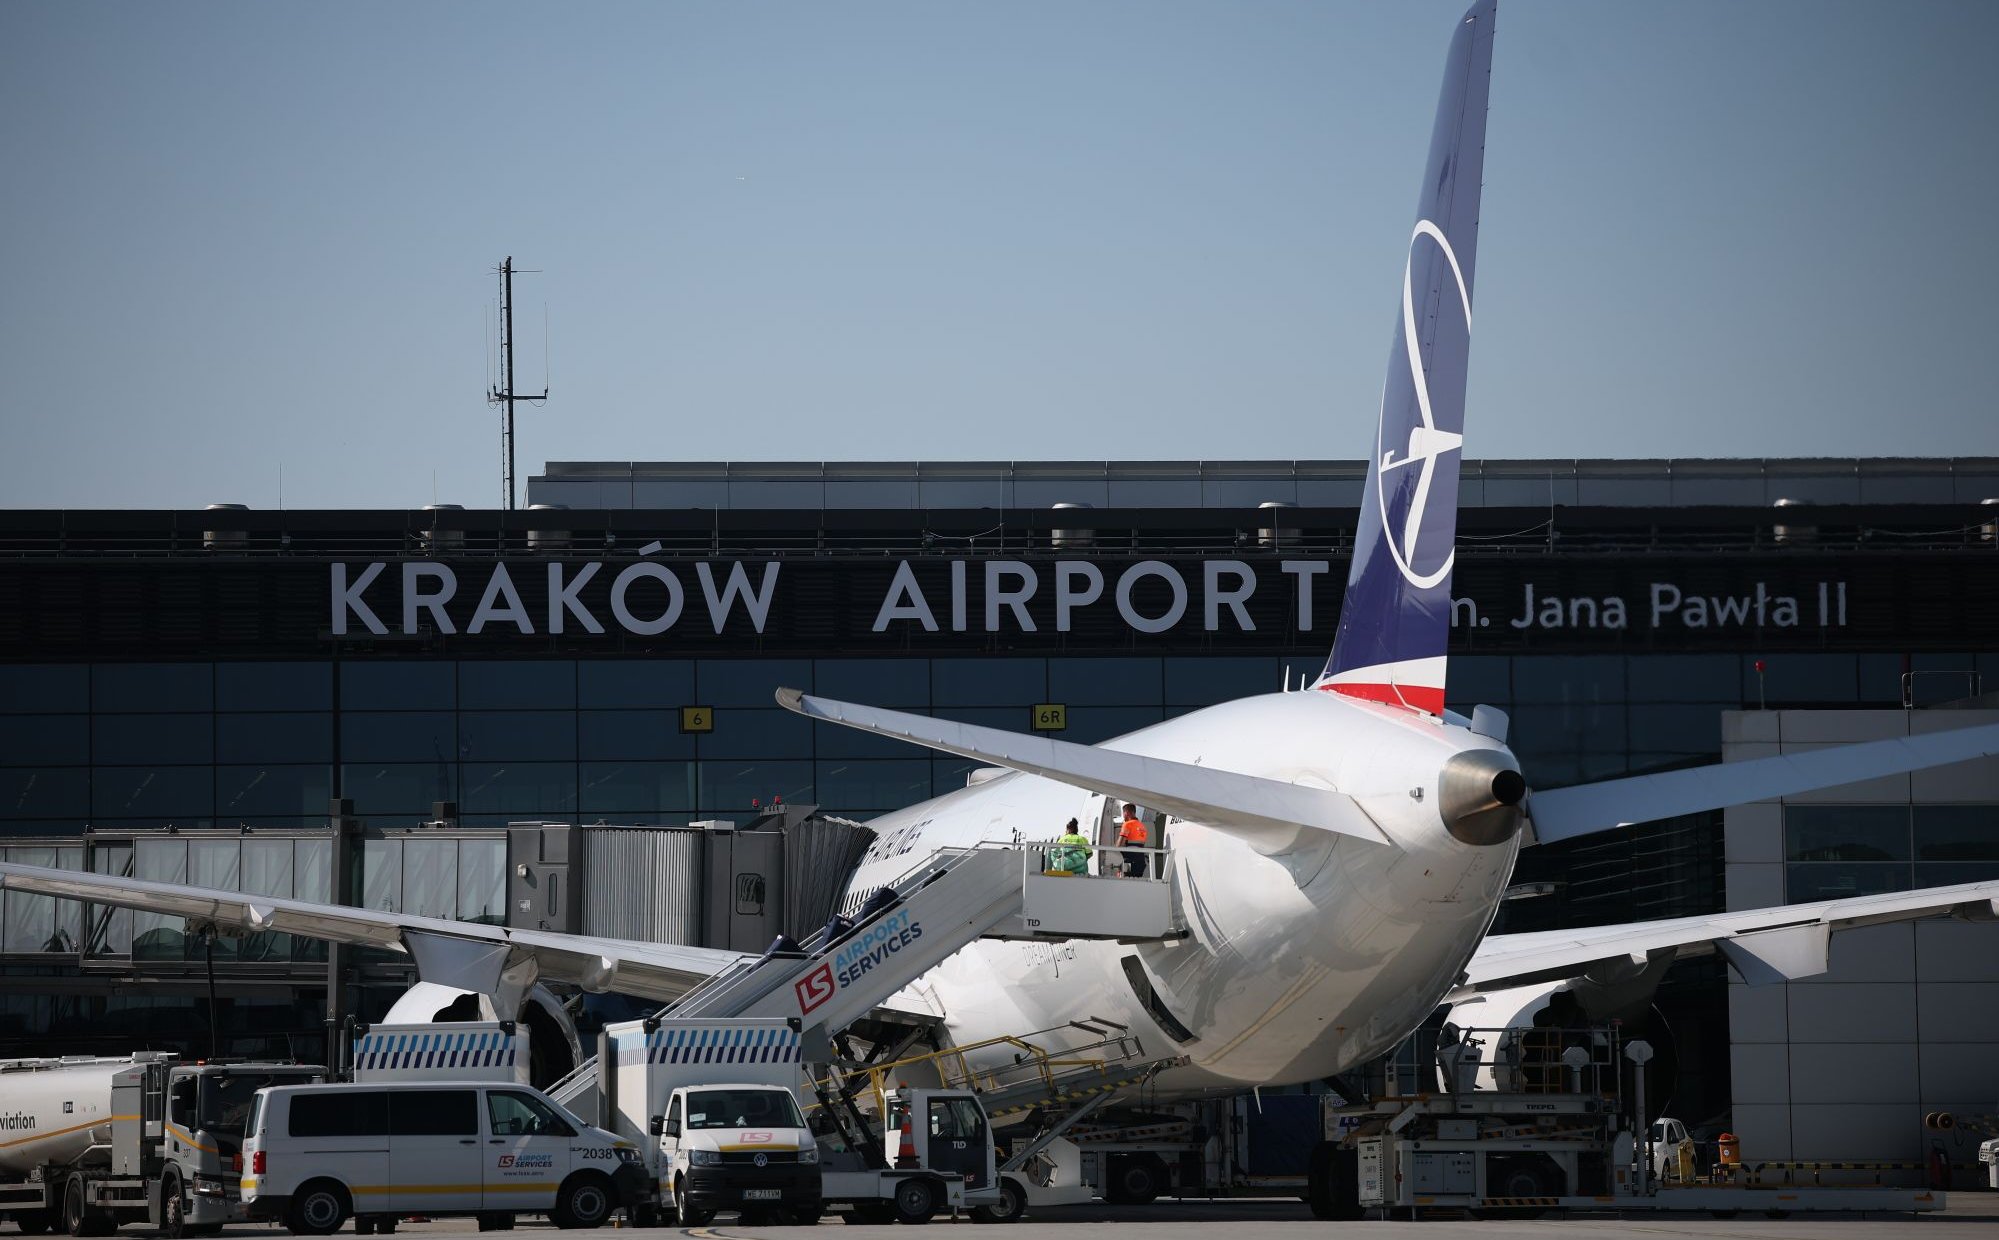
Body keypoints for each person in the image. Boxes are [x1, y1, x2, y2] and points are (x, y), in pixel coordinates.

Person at [1117, 803, 1150, 878]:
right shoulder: (1142, 826)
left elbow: (1119, 845)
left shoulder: (1127, 824)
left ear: (1126, 813)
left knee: (1126, 882)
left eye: (1123, 813)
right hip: (1140, 860)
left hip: (1129, 859)